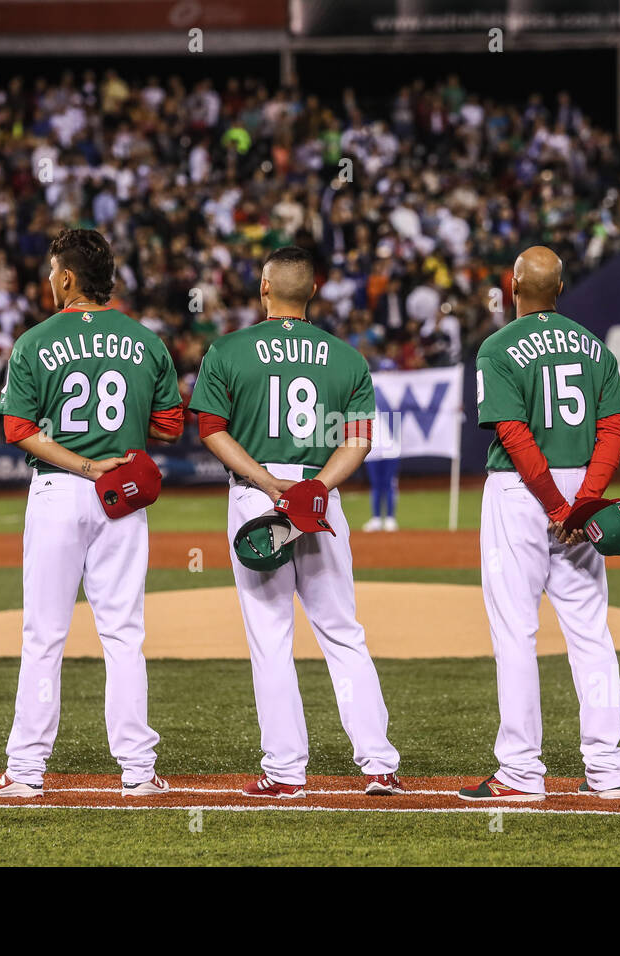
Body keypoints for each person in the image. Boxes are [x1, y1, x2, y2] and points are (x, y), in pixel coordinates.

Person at [0, 228, 184, 799]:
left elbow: (19, 430)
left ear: (67, 278)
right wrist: (116, 449)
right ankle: (138, 772)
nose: (48, 280)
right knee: (123, 634)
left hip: (59, 493)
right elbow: (169, 427)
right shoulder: (147, 341)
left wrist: (84, 464)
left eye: (51, 272)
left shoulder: (34, 340)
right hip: (123, 497)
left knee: (44, 636)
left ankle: (24, 773)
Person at [190, 245, 402, 797]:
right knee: (342, 633)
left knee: (270, 637)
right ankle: (379, 764)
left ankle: (285, 771)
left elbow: (211, 429)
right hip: (319, 496)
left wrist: (265, 482)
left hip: (257, 498)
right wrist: (317, 490)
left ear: (264, 288)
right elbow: (359, 440)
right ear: (312, 290)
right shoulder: (347, 358)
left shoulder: (229, 350)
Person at [458, 245, 620, 802]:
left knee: (515, 632)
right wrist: (586, 500)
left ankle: (522, 772)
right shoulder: (594, 347)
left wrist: (556, 506)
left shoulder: (498, 347)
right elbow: (616, 427)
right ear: (560, 288)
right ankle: (607, 772)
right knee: (591, 634)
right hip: (580, 492)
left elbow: (513, 435)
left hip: (521, 494)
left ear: (513, 286)